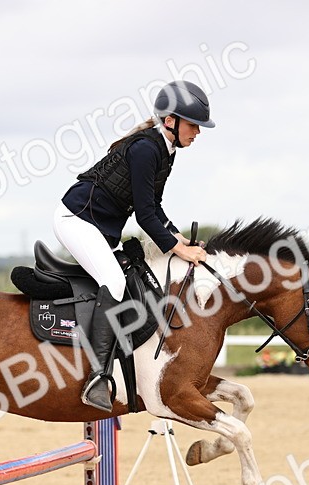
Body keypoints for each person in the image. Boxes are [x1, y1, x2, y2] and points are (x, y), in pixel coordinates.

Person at [55, 80, 214, 411]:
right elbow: (144, 216)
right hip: (76, 221)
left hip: (97, 228)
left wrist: (180, 238)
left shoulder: (165, 151)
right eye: (193, 124)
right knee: (114, 281)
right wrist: (179, 250)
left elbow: (154, 206)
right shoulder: (146, 149)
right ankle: (97, 378)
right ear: (170, 121)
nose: (198, 132)